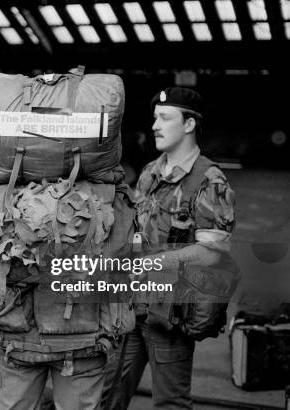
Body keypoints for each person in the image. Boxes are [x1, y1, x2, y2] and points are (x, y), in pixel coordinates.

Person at [102, 87, 236, 409]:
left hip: (171, 315)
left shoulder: (209, 180)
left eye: (165, 117)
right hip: (132, 308)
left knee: (170, 403)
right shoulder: (149, 172)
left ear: (189, 124)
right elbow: (135, 225)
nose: (155, 125)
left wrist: (153, 263)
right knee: (107, 397)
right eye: (154, 118)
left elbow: (212, 251)